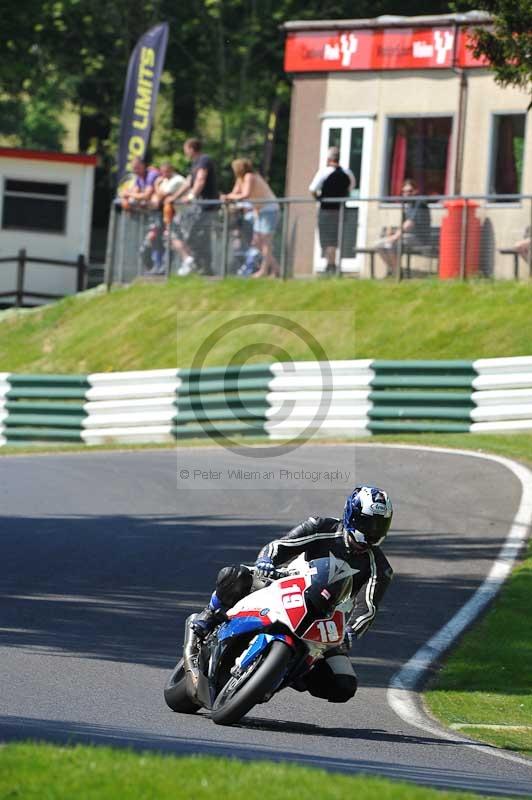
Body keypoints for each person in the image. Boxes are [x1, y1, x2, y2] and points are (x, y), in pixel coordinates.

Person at [184, 486, 394, 704]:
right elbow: (280, 545)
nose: (372, 530)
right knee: (236, 575)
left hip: (327, 618)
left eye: (380, 525)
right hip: (287, 584)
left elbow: (367, 607)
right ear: (351, 515)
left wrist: (352, 631)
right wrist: (267, 562)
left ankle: (286, 672)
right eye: (367, 522)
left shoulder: (380, 568)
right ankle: (208, 617)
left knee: (343, 684)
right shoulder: (321, 526)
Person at [222, 158, 281, 278]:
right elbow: (236, 192)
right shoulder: (241, 179)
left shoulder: (250, 176)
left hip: (269, 210)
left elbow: (245, 194)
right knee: (258, 242)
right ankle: (276, 269)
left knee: (265, 242)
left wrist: (228, 197)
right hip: (259, 211)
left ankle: (266, 270)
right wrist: (229, 197)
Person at [169, 138, 219, 276]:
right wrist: (175, 197)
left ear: (191, 148)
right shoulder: (195, 164)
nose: (185, 152)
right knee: (200, 236)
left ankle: (197, 264)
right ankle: (204, 267)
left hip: (206, 205)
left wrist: (191, 196)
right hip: (200, 206)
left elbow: (200, 179)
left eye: (185, 149)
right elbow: (189, 181)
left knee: (191, 234)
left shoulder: (204, 160)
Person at [309, 146, 355, 275]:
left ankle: (331, 265)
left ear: (329, 159)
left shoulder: (324, 172)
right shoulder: (347, 173)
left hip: (327, 210)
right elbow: (351, 186)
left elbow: (312, 188)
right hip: (340, 210)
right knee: (335, 238)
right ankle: (332, 264)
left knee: (327, 239)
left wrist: (318, 198)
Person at [377, 178, 431, 276]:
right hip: (408, 237)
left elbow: (410, 223)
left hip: (419, 238)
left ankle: (397, 274)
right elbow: (404, 225)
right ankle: (395, 271)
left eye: (410, 191)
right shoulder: (408, 205)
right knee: (379, 245)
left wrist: (394, 237)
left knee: (390, 244)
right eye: (404, 191)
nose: (407, 194)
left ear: (416, 191)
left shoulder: (420, 202)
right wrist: (393, 232)